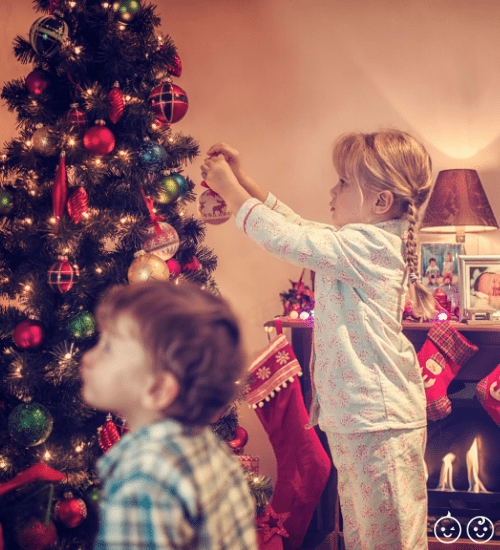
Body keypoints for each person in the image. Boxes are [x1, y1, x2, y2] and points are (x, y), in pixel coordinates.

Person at [200, 129, 437, 550]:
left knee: (390, 538)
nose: (333, 188)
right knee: (368, 534)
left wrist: (228, 190)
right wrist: (242, 180)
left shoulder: (371, 245)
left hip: (378, 421)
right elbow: (296, 226)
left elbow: (288, 238)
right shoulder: (357, 244)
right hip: (362, 419)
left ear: (381, 202)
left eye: (344, 182)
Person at [80, 281, 258, 550]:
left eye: (108, 348)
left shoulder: (142, 480)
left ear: (159, 389)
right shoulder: (213, 452)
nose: (88, 358)